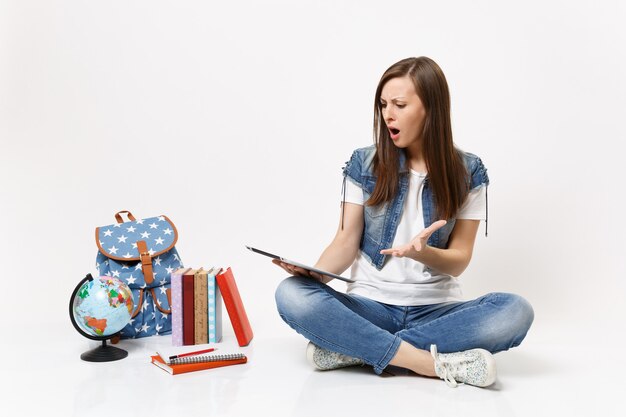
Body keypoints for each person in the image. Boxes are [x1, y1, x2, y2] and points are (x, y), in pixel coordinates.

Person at [273, 56, 534, 388]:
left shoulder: (468, 172)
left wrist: (422, 253)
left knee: (515, 311)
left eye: (399, 104)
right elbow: (344, 242)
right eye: (383, 104)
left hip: (437, 311)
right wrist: (315, 277)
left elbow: (459, 260)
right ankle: (426, 362)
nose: (388, 114)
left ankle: (357, 349)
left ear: (431, 109)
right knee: (292, 294)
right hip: (370, 306)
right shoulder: (364, 163)